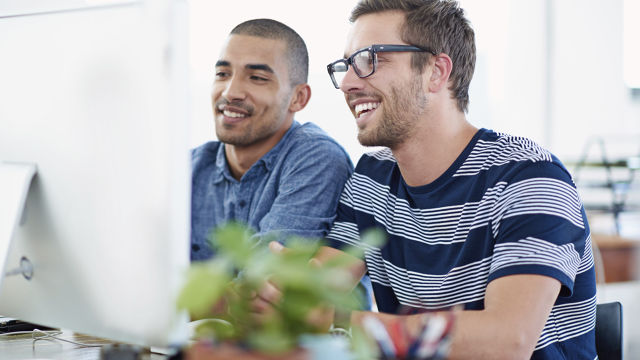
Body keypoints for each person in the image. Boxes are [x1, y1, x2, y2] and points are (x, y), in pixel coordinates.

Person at [314, 0, 597, 358]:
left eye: (372, 60)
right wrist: (280, 291)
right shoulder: (372, 177)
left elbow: (506, 342)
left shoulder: (531, 176)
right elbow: (315, 291)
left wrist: (338, 321)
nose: (349, 84)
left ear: (435, 71)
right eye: (348, 66)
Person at [190, 19, 353, 261]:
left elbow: (263, 283)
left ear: (298, 98)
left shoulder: (316, 158)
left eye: (256, 78)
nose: (229, 92)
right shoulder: (190, 166)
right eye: (222, 74)